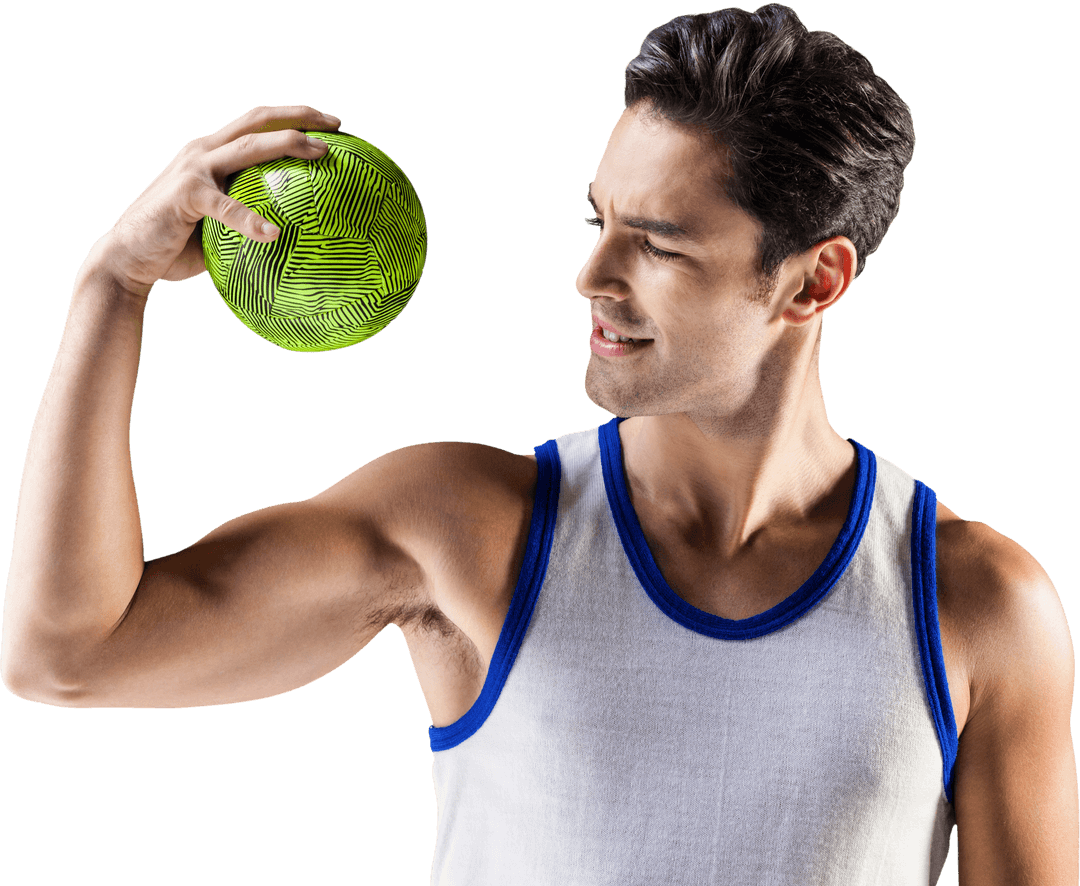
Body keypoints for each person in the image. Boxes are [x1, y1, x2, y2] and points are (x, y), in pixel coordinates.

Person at [2, 3, 1076, 883]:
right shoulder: (467, 527)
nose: (594, 276)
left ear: (813, 280)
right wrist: (114, 286)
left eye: (655, 244)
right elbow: (67, 655)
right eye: (597, 221)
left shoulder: (974, 603)